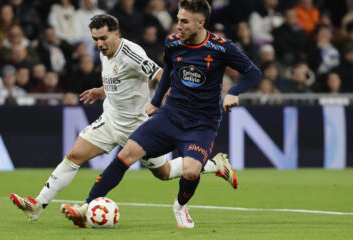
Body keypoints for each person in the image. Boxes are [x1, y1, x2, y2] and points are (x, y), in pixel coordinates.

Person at [9, 13, 237, 226]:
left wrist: (166, 106)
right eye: (95, 39)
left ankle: (215, 164)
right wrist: (101, 90)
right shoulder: (103, 50)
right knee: (74, 156)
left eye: (103, 38)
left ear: (116, 34)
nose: (99, 43)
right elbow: (119, 79)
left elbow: (161, 75)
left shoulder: (132, 53)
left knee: (164, 173)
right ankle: (37, 205)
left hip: (138, 126)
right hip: (110, 120)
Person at [61, 1, 261, 229]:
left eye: (184, 21)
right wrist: (156, 102)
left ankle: (181, 205)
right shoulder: (172, 42)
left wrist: (233, 92)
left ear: (200, 22)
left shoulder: (221, 47)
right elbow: (168, 69)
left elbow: (253, 73)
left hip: (201, 123)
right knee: (127, 153)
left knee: (190, 170)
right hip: (171, 114)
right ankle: (86, 206)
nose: (178, 26)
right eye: (178, 19)